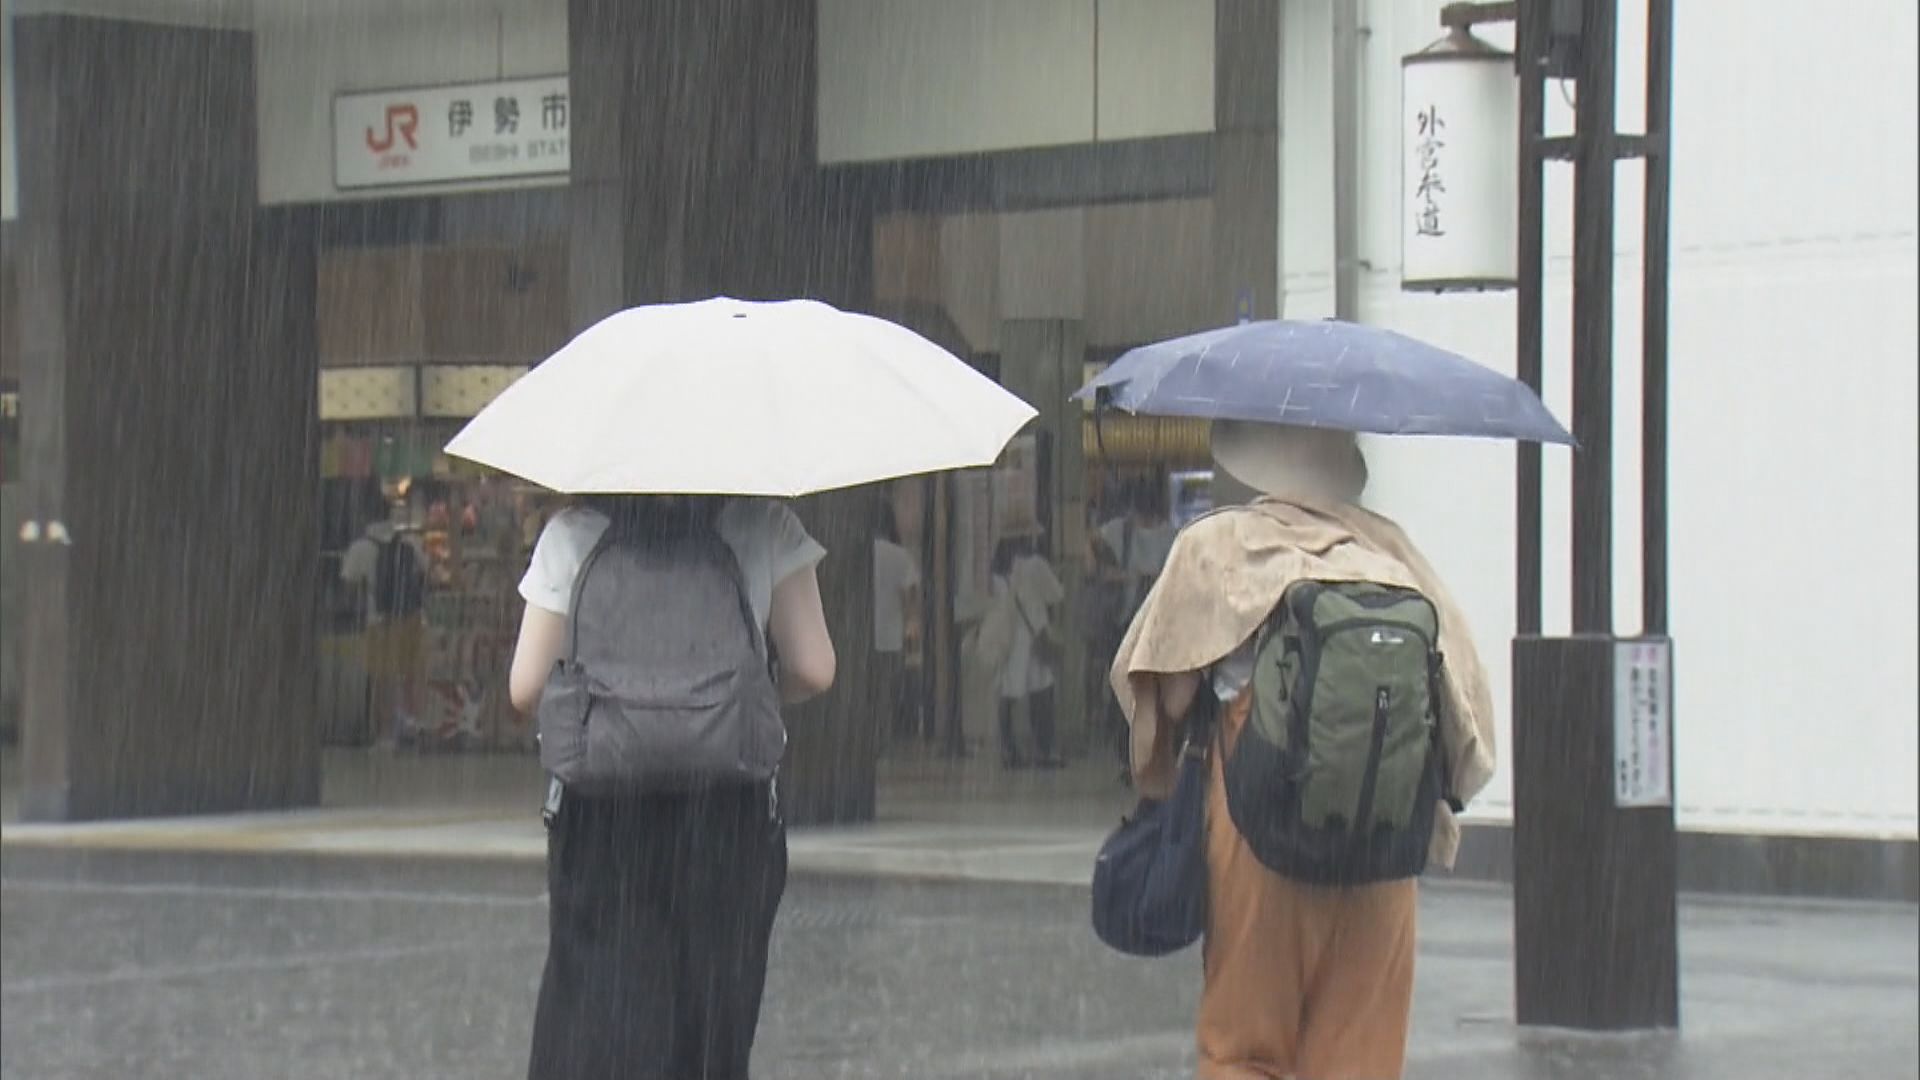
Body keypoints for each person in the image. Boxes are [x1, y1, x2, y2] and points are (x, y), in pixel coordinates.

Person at [1111, 421, 1496, 1080]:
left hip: (1260, 833)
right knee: (1359, 1057)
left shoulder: (1221, 546)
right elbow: (1469, 719)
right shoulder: (1395, 555)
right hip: (1382, 844)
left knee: (1244, 1051)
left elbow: (1164, 700)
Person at [507, 495, 835, 1080]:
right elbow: (814, 666)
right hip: (726, 817)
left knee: (593, 1013)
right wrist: (730, 709)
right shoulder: (765, 524)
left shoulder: (574, 531)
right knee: (712, 1023)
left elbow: (525, 687)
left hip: (603, 818)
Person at [340, 478, 429, 747]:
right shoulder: (409, 543)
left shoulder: (360, 548)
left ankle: (385, 734)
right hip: (413, 618)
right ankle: (414, 725)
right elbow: (424, 574)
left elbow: (349, 584)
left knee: (383, 679)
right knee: (410, 675)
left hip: (380, 621)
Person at [989, 532, 1066, 769]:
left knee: (1009, 696)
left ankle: (1008, 750)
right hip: (1035, 634)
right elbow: (1057, 594)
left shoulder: (998, 571)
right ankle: (1044, 750)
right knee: (1042, 694)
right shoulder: (1036, 565)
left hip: (1010, 638)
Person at [872, 511, 922, 744]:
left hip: (866, 636)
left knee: (870, 693)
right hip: (891, 636)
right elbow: (910, 602)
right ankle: (886, 735)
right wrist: (912, 632)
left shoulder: (863, 554)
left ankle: (872, 735)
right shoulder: (901, 557)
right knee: (888, 692)